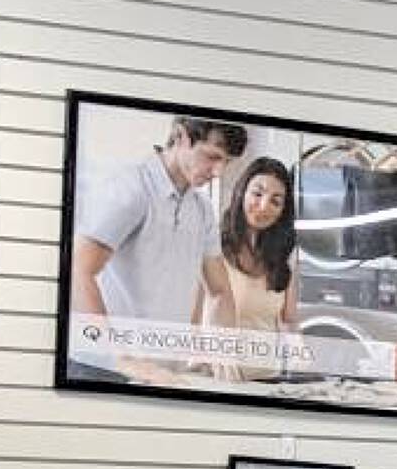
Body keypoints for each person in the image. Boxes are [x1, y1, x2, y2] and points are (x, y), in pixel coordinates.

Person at [66, 115, 246, 377]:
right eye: (212, 156)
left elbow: (219, 291)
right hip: (104, 371)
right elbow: (78, 270)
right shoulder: (131, 187)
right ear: (181, 136)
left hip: (163, 374)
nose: (218, 171)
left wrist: (221, 351)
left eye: (226, 162)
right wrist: (119, 359)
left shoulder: (202, 209)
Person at [194, 156, 298, 381]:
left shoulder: (284, 258)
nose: (264, 206)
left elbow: (288, 321)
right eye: (257, 194)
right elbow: (192, 318)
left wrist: (301, 363)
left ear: (283, 210)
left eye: (276, 201)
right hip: (217, 376)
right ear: (242, 192)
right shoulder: (213, 249)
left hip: (267, 379)